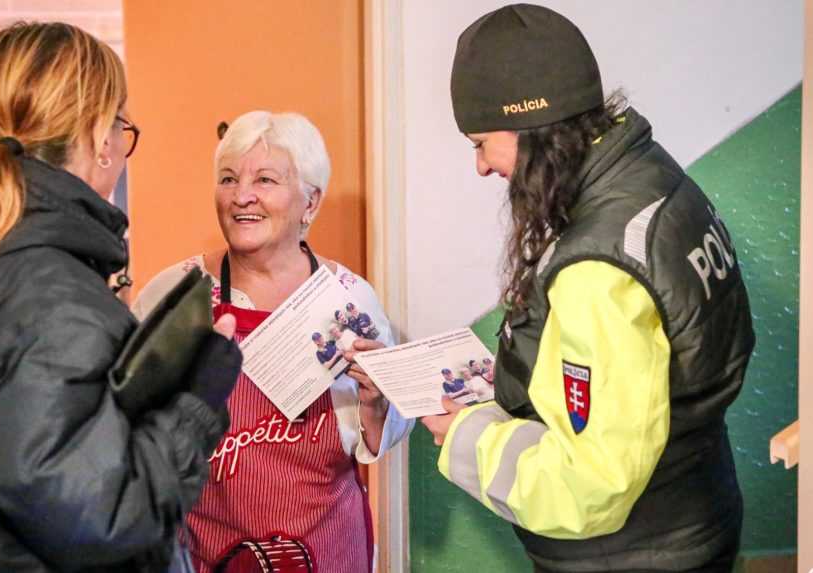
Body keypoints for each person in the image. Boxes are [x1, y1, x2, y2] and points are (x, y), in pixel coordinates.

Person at [0, 22, 240, 573]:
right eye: (123, 125)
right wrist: (198, 401)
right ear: (101, 136)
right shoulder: (54, 302)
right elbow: (102, 519)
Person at [421, 5, 754, 572]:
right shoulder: (652, 178)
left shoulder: (599, 269)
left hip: (631, 555)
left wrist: (466, 435)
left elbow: (590, 484)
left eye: (480, 143)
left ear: (528, 128)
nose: (480, 166)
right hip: (695, 515)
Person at [132, 110, 413, 573]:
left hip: (328, 552)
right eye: (227, 179)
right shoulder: (175, 294)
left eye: (265, 179)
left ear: (310, 202)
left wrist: (376, 402)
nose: (242, 196)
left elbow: (379, 437)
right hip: (207, 555)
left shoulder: (349, 299)